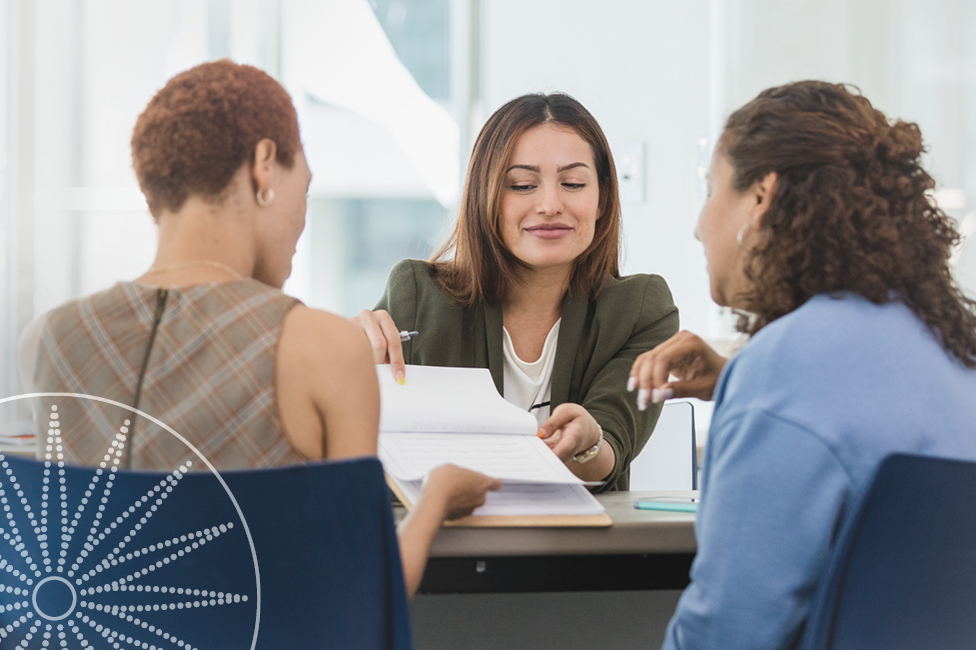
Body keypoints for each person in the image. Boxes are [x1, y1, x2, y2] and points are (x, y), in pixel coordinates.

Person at [18, 59, 499, 598]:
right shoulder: (322, 347)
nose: (303, 218)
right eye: (307, 189)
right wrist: (436, 496)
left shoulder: (48, 340)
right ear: (264, 167)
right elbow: (366, 598)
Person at [628, 80, 976, 649]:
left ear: (762, 196)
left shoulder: (784, 372)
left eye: (711, 189)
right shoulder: (955, 344)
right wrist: (740, 384)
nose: (698, 224)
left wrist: (758, 388)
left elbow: (728, 633)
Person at [353, 93, 679, 491]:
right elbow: (358, 447)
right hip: (446, 544)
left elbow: (613, 445)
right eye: (523, 185)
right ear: (485, 196)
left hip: (579, 549)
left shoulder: (640, 310)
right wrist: (351, 365)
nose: (549, 205)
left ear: (602, 200)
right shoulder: (419, 296)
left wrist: (588, 442)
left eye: (573, 183)